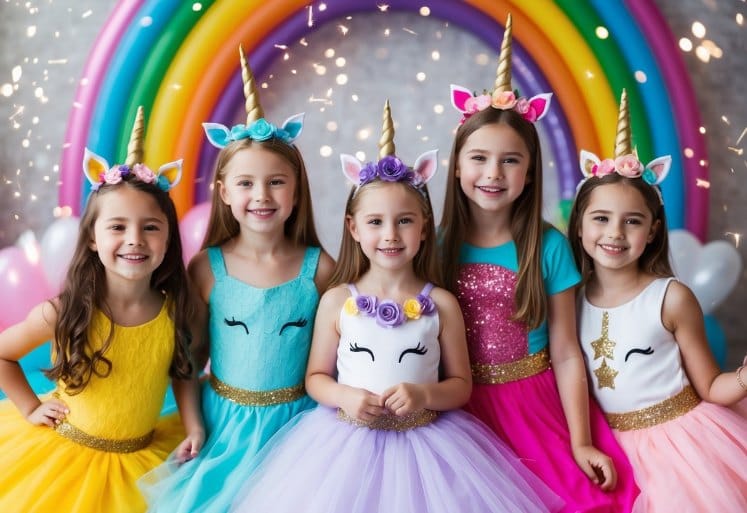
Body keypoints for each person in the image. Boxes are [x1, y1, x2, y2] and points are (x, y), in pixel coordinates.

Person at [229, 101, 564, 513]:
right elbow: (315, 377)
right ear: (353, 228)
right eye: (375, 222)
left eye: (404, 221)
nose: (390, 235)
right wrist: (344, 396)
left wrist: (424, 393)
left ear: (425, 228)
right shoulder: (337, 300)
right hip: (343, 444)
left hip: (428, 443)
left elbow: (461, 385)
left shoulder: (441, 304)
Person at [438, 15, 639, 512]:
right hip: (456, 408)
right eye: (479, 158)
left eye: (510, 161)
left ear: (529, 173)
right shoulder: (432, 246)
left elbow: (567, 351)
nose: (493, 173)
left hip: (532, 405)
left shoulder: (548, 247)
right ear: (457, 165)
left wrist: (580, 439)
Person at [139, 47, 334, 513]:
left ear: (296, 191)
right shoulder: (208, 269)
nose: (261, 196)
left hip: (300, 430)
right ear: (225, 193)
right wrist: (193, 426)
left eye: (276, 183)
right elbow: (188, 361)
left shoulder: (321, 269)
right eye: (245, 184)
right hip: (224, 425)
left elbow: (336, 360)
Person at [0, 107, 204, 513]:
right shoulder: (65, 311)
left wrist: (194, 424)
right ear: (92, 238)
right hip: (67, 460)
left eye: (150, 227)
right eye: (117, 227)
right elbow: (3, 353)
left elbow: (182, 371)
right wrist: (31, 406)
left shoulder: (174, 310)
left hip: (144, 460)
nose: (135, 240)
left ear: (167, 239)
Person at [569, 89, 747, 512]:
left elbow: (710, 386)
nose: (614, 234)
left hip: (684, 448)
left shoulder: (669, 297)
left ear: (651, 231)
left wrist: (743, 379)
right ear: (579, 225)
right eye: (601, 219)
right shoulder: (569, 300)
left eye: (632, 221)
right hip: (614, 449)